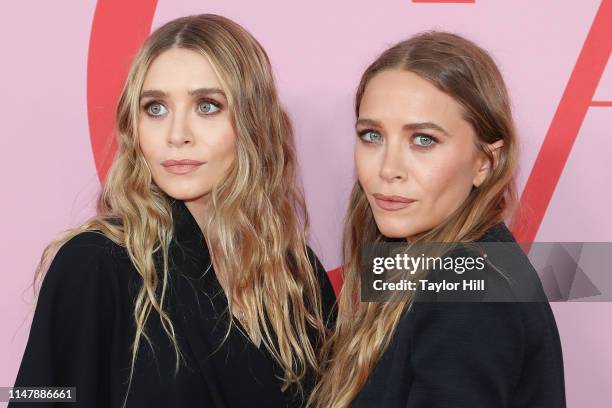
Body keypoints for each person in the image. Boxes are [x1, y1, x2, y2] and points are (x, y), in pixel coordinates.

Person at [11, 14, 335, 408]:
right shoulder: (95, 262)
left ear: (253, 121)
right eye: (156, 108)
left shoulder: (295, 276)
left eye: (208, 106)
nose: (177, 133)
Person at [310, 32, 565, 408]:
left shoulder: (469, 289)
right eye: (372, 135)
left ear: (485, 162)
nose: (389, 168)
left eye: (424, 140)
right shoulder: (420, 262)